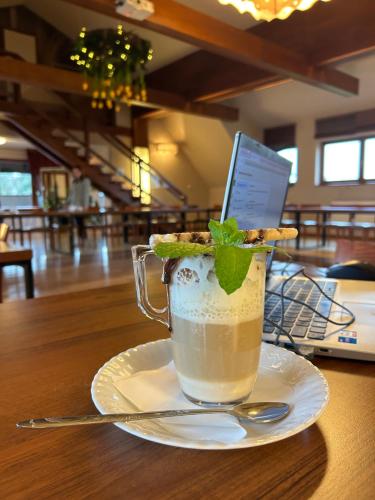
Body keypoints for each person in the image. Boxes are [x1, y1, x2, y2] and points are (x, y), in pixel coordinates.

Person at [68, 167, 91, 239]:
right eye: (73, 172)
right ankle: (80, 236)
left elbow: (86, 194)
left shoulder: (86, 181)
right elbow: (71, 194)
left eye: (76, 172)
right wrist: (66, 202)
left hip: (81, 205)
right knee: (77, 221)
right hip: (73, 205)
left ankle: (82, 236)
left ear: (80, 172)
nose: (75, 174)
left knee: (80, 221)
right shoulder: (74, 182)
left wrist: (86, 206)